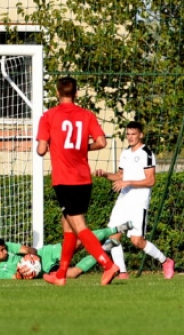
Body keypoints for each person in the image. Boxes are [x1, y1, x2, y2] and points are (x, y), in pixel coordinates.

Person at [36, 76, 119, 286]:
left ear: (57, 92)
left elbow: (41, 149)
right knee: (68, 226)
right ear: (76, 93)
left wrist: (52, 144)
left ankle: (108, 265)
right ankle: (61, 275)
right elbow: (101, 142)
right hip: (84, 178)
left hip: (65, 179)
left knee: (79, 226)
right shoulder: (86, 115)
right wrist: (82, 147)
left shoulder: (48, 116)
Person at [95, 121, 175, 279]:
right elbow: (119, 176)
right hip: (123, 200)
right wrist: (105, 174)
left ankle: (165, 261)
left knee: (137, 241)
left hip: (139, 203)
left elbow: (151, 180)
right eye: (128, 134)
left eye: (133, 134)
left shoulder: (147, 153)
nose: (130, 137)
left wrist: (128, 182)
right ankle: (122, 272)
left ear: (141, 135)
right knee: (113, 235)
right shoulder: (125, 153)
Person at [0, 223, 131, 280]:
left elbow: (28, 249)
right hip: (44, 272)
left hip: (45, 255)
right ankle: (105, 248)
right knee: (75, 273)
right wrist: (25, 270)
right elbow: (16, 277)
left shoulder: (8, 246)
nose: (5, 252)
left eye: (4, 249)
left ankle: (116, 229)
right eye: (1, 251)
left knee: (78, 244)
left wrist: (31, 255)